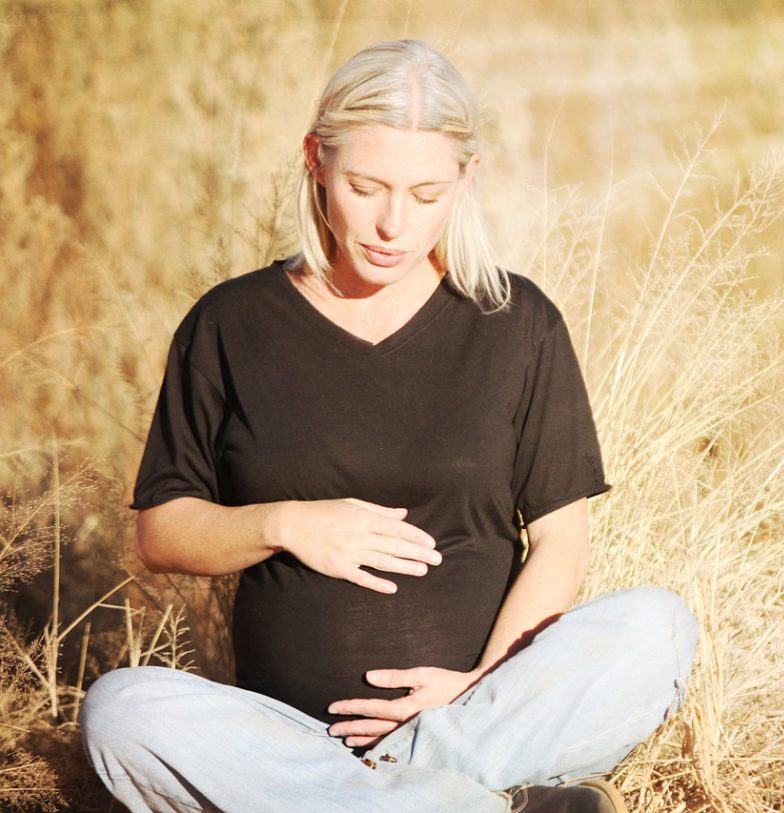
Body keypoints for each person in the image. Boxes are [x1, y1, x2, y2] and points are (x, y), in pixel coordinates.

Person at [79, 39, 697, 813]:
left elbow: (560, 542)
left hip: (478, 715)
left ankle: (410, 787)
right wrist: (288, 522)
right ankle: (475, 803)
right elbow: (162, 532)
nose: (392, 224)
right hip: (290, 737)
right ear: (316, 160)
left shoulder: (517, 323)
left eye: (427, 192)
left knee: (660, 629)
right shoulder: (231, 323)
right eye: (365, 186)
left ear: (467, 177)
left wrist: (476, 689)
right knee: (121, 712)